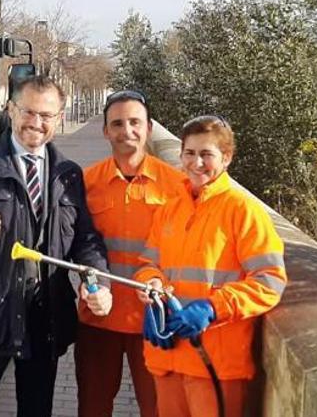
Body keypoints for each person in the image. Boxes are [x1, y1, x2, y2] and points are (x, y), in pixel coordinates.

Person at [0, 75, 113, 417]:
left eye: (46, 115)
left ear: (59, 118)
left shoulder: (68, 174)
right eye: (28, 111)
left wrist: (99, 283)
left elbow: (85, 241)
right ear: (10, 109)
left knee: (36, 410)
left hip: (44, 320)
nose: (36, 122)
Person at [135, 116, 287, 417]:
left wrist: (213, 308)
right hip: (168, 356)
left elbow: (270, 281)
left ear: (226, 157)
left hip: (215, 365)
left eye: (207, 154)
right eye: (190, 153)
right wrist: (151, 287)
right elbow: (149, 264)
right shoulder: (170, 209)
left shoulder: (244, 211)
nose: (197, 163)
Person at [75, 90, 182, 417]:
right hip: (98, 317)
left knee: (158, 408)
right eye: (117, 124)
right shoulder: (86, 182)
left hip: (155, 320)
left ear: (149, 128)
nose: (127, 131)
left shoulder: (176, 185)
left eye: (135, 122)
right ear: (105, 131)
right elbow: (77, 243)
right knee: (92, 407)